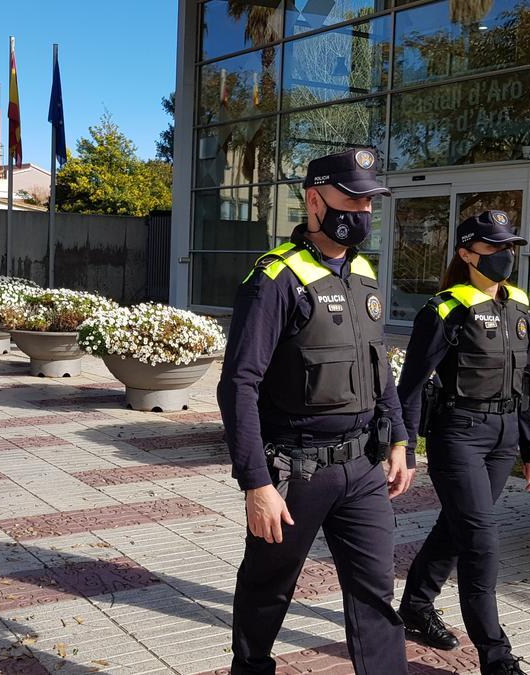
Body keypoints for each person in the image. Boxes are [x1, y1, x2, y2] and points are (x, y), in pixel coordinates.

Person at [218, 148, 415, 675]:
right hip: (295, 471)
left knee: (376, 596)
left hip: (363, 470)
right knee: (267, 590)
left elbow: (380, 368)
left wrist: (400, 439)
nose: (362, 212)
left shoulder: (364, 273)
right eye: (352, 198)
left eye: (370, 202)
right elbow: (238, 385)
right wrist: (255, 484)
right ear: (314, 200)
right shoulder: (276, 278)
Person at [394, 210, 530, 675]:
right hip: (458, 436)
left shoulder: (517, 304)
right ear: (466, 254)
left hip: (502, 441)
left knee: (458, 529)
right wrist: (404, 447)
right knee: (481, 543)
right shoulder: (444, 309)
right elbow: (412, 385)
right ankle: (496, 658)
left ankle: (415, 607)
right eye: (494, 249)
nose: (505, 256)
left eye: (510, 248)